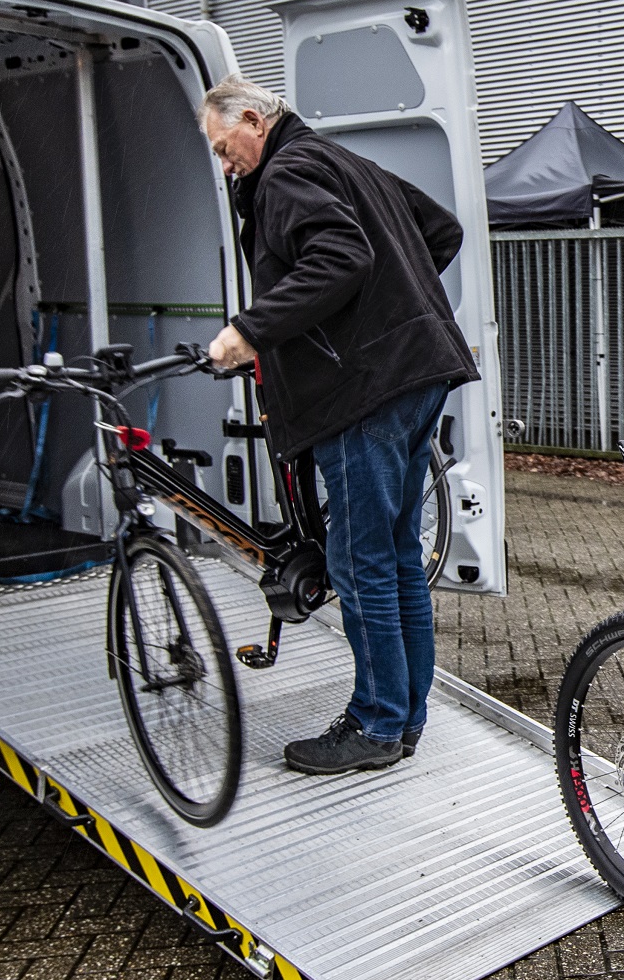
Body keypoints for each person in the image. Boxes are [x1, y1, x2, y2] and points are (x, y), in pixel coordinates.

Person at [200, 75, 478, 776]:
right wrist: (390, 313)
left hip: (365, 394)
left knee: (360, 562)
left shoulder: (289, 170)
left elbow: (342, 258)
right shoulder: (343, 161)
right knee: (390, 555)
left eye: (222, 144)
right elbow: (440, 230)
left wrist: (251, 330)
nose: (222, 161)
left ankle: (377, 721)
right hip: (417, 377)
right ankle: (406, 716)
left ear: (254, 121)